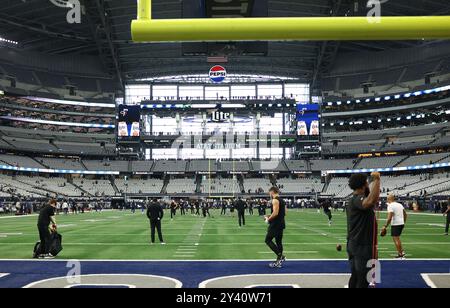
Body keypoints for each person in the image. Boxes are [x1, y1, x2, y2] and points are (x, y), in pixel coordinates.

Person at [346, 172, 381, 289]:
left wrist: (373, 183)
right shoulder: (358, 199)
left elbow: (371, 197)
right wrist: (377, 179)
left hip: (354, 243)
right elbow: (371, 201)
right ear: (363, 184)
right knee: (364, 279)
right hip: (362, 244)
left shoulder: (354, 199)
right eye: (366, 182)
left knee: (355, 276)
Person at [264, 187, 286, 268]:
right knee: (278, 242)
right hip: (281, 223)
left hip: (275, 224)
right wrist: (269, 215)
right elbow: (284, 213)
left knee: (268, 240)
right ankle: (278, 262)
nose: (269, 194)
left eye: (269, 192)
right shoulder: (282, 200)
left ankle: (280, 256)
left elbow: (276, 213)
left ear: (272, 192)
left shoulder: (275, 200)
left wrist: (268, 219)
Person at [381, 194, 407, 259]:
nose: (387, 200)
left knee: (396, 239)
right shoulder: (399, 204)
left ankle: (400, 255)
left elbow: (389, 217)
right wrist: (403, 222)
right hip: (401, 223)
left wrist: (385, 226)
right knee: (396, 238)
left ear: (389, 199)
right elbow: (405, 214)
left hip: (396, 224)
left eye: (387, 198)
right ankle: (402, 251)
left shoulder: (390, 206)